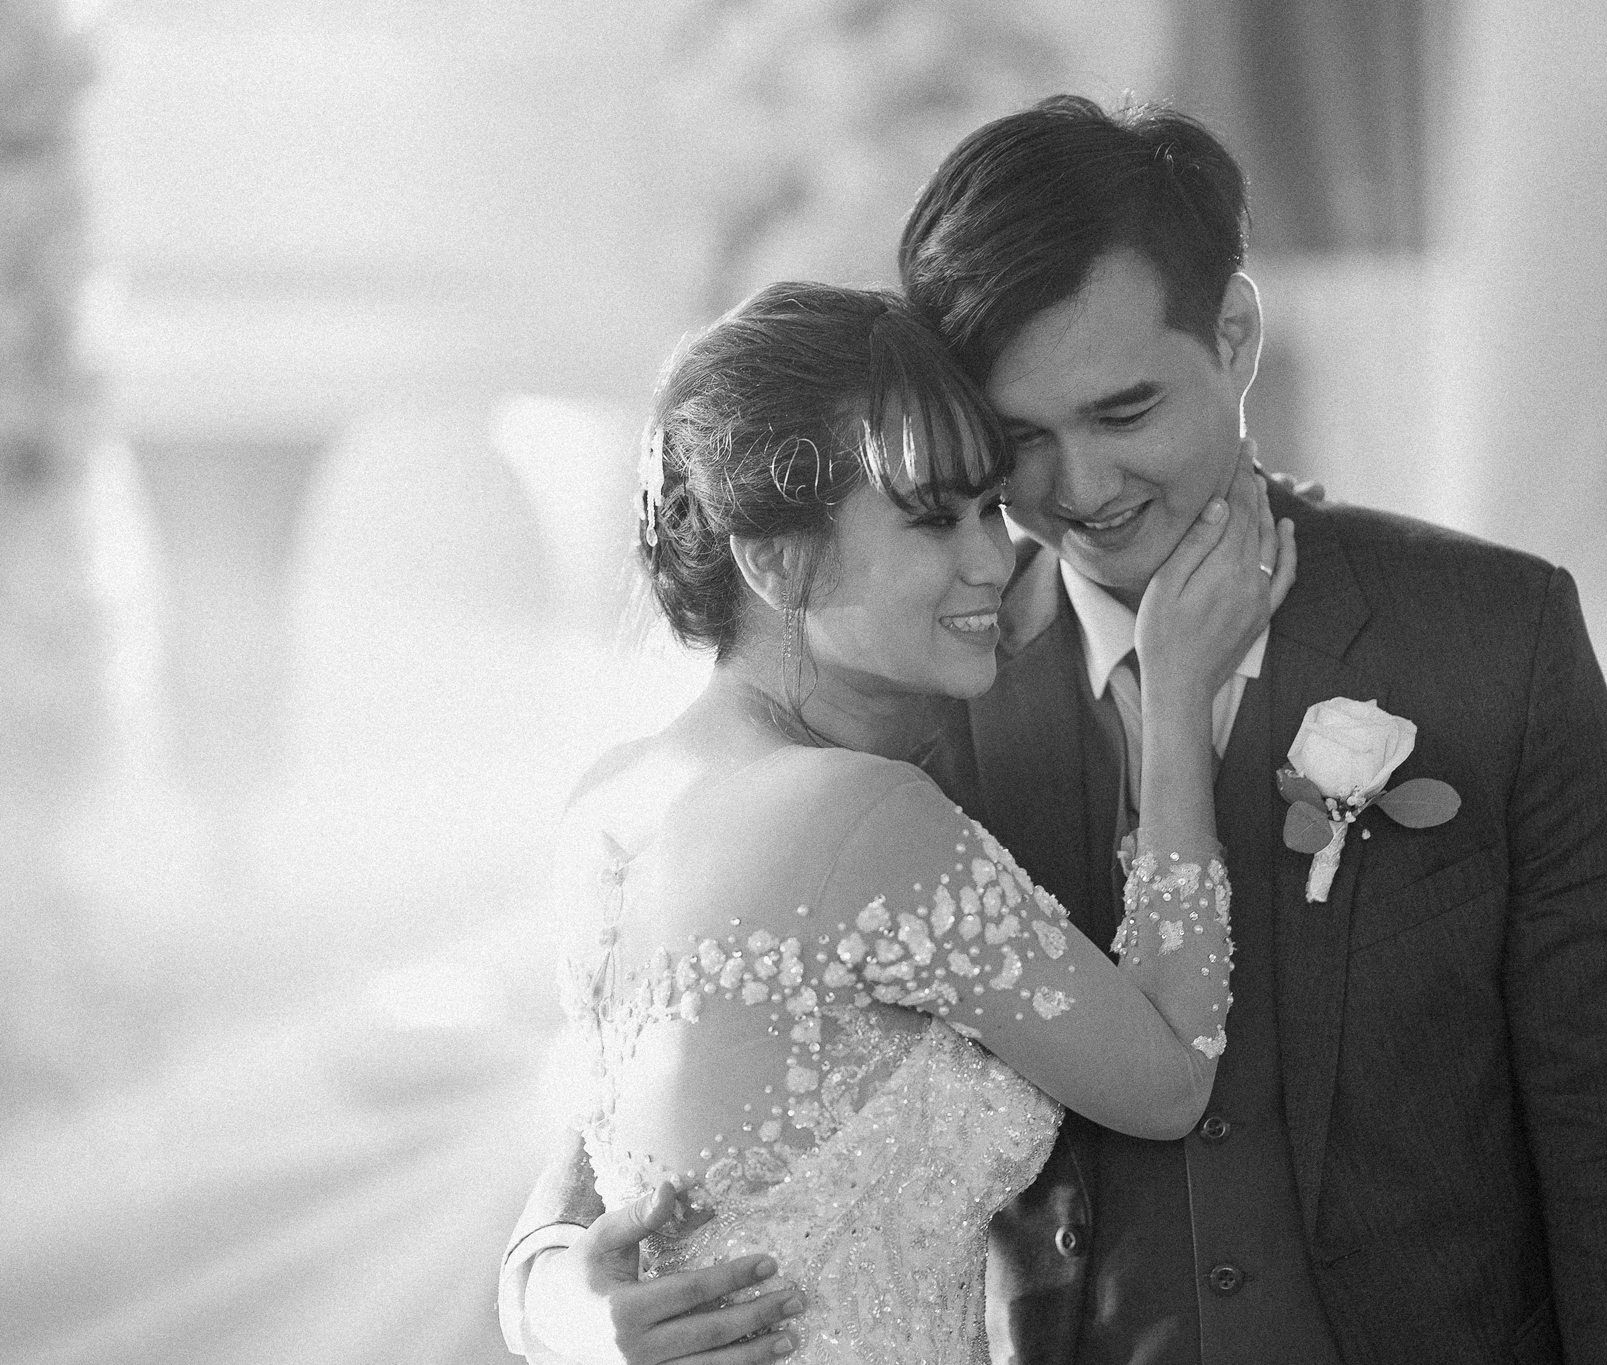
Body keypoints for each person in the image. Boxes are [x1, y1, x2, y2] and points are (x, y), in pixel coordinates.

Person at [505, 97, 1607, 1364]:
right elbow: (635, 1117)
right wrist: (560, 1307)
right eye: (1017, 443)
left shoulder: (1491, 639)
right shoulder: (900, 712)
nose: (1077, 491)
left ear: (1233, 338)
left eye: (1123, 413)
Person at [502, 280, 1295, 1365]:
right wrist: (1177, 694)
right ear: (775, 559)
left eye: (989, 507)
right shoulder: (857, 813)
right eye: (932, 519)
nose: (993, 558)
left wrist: (546, 1295)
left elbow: (602, 1166)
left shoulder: (611, 802)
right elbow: (1168, 1079)